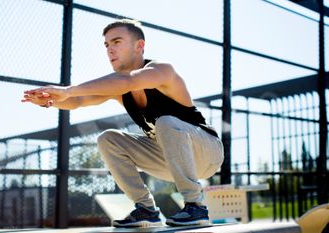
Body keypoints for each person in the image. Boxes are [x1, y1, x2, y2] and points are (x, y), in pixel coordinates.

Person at [21, 18, 224, 228]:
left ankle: (195, 206)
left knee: (166, 122)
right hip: (169, 160)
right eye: (107, 45)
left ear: (139, 46)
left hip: (206, 152)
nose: (110, 50)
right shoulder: (119, 86)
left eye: (117, 42)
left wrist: (68, 90)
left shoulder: (162, 70)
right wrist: (51, 101)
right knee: (108, 139)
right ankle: (146, 210)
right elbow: (79, 100)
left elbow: (130, 80)